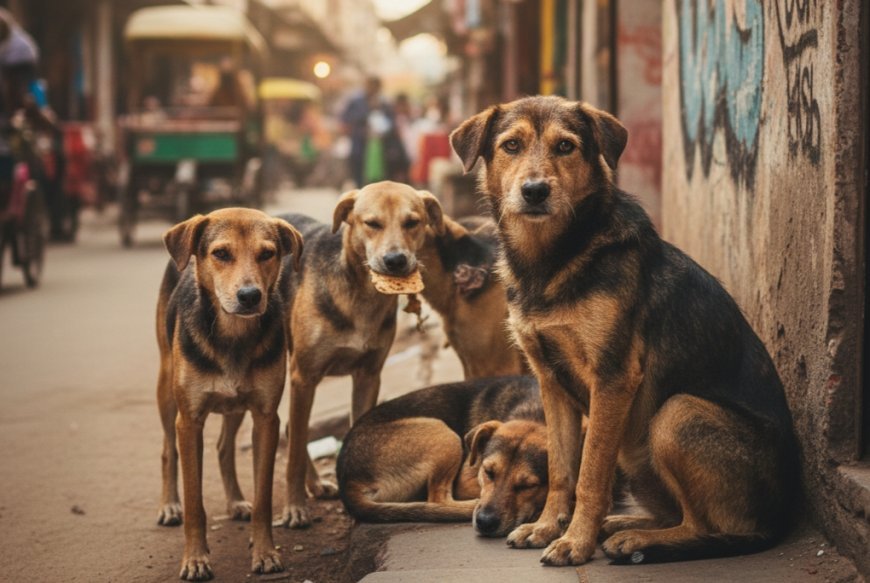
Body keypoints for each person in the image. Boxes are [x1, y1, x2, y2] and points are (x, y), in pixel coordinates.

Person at [340, 77, 408, 187]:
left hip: (381, 145)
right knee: (360, 176)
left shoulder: (384, 103)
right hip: (361, 145)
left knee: (381, 178)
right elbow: (346, 121)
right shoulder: (355, 102)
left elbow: (391, 123)